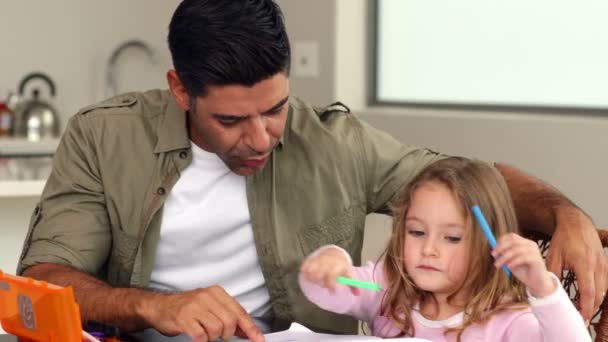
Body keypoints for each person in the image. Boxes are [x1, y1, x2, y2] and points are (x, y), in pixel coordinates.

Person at [15, 0, 605, 341]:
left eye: (274, 109)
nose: (261, 138)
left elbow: (458, 179)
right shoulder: (103, 136)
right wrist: (151, 306)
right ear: (179, 90)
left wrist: (564, 213)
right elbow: (44, 277)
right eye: (230, 120)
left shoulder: (332, 141)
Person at [299, 157, 591, 341]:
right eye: (416, 232)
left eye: (451, 238)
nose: (429, 249)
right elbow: (326, 289)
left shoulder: (508, 321)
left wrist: (542, 288)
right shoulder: (386, 288)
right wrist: (329, 263)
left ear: (489, 245)